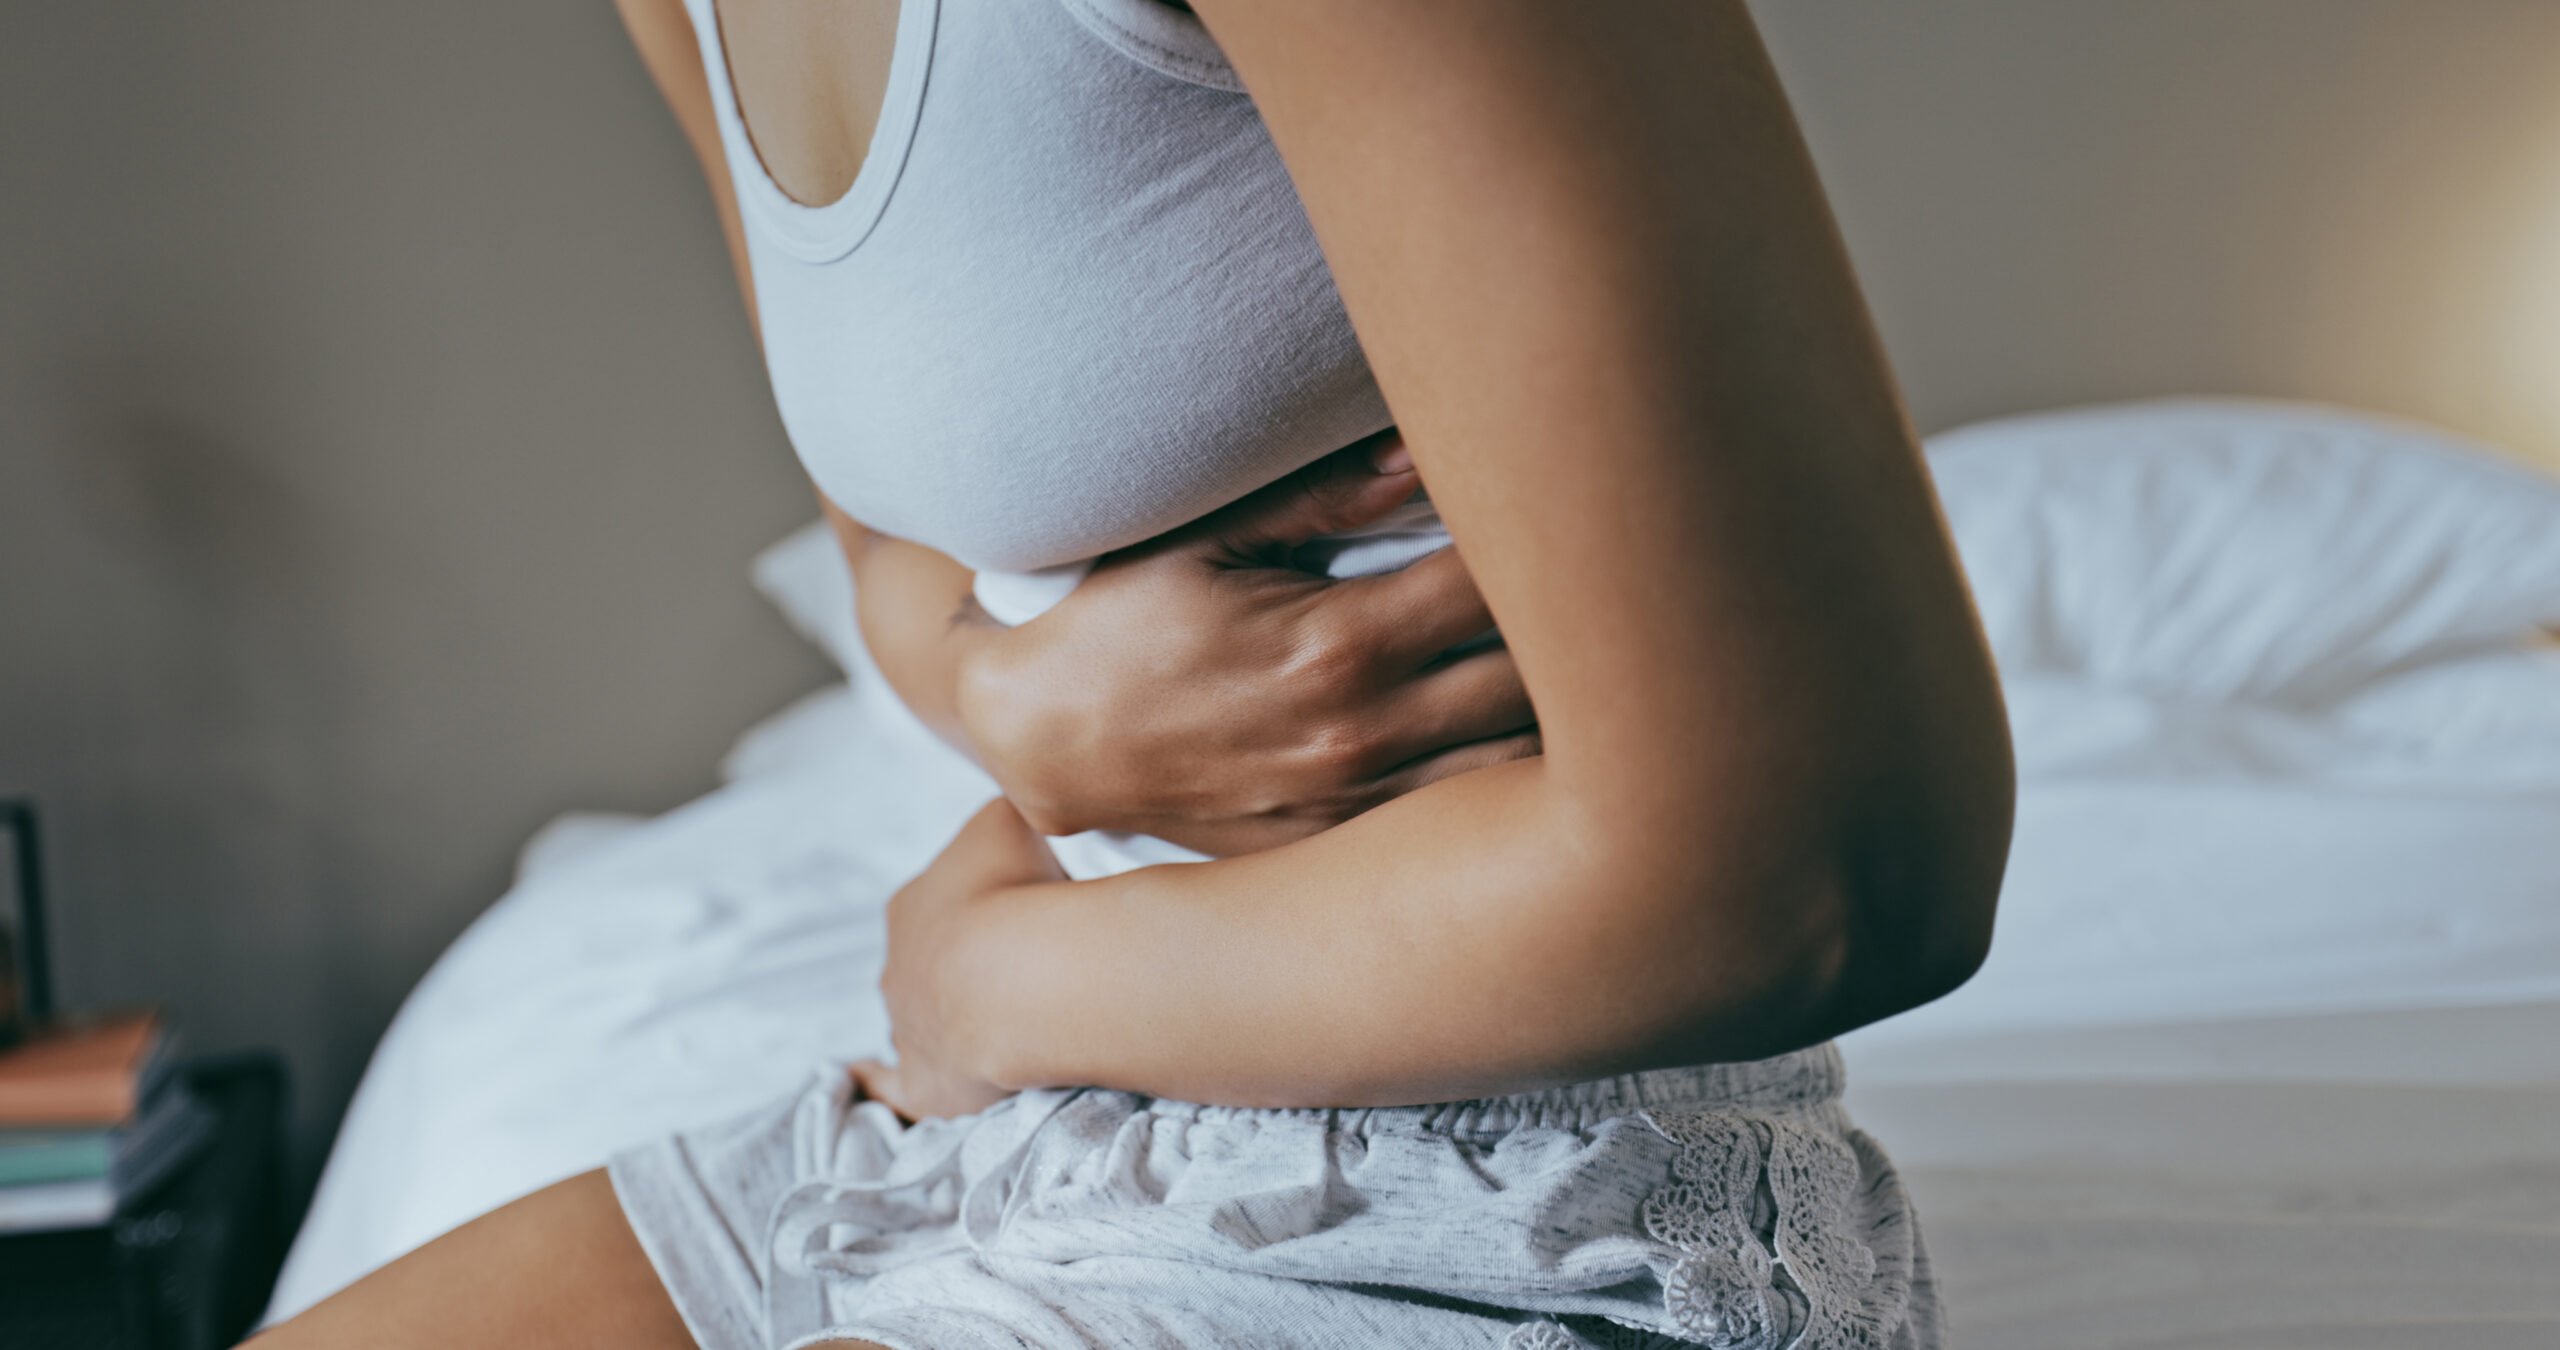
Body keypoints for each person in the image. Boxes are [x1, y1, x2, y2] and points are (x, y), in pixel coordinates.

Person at [258, 0, 2013, 1346]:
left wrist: (1007, 977)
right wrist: (1013, 704)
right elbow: (892, 547)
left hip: (1524, 1183)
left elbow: (1839, 867)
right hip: (1033, 1127)